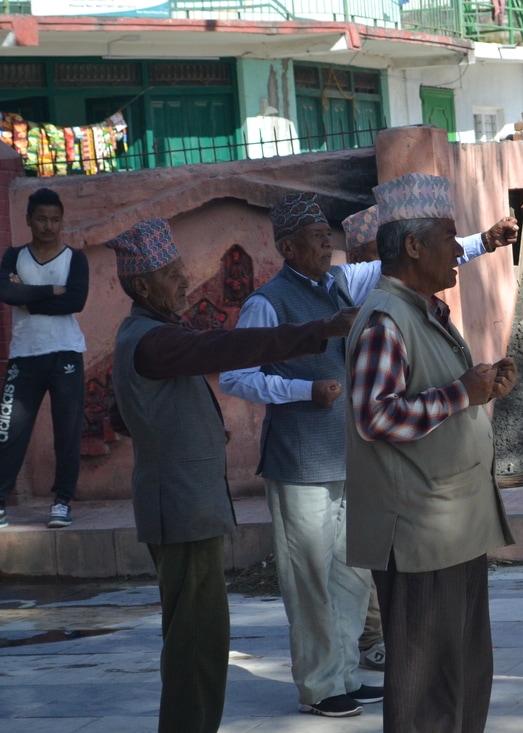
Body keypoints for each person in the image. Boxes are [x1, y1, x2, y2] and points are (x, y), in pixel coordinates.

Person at [218, 192, 517, 716]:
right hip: (301, 460)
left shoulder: (340, 283)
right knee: (309, 579)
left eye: (326, 238)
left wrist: (482, 243)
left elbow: (404, 263)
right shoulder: (267, 303)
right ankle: (321, 684)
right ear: (286, 248)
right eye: (313, 241)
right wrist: (301, 392)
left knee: (351, 576)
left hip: (350, 459)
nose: (324, 249)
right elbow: (236, 374)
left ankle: (346, 674)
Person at [105, 218, 359, 733]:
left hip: (185, 504)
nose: (183, 281)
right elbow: (227, 349)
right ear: (141, 287)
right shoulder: (153, 340)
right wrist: (319, 331)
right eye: (171, 274)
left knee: (199, 636)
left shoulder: (153, 335)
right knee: (196, 642)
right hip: (179, 508)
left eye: (181, 271)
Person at [345, 172, 516, 733]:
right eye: (448, 236)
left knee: (463, 678)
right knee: (426, 691)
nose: (457, 250)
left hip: (454, 526)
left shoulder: (426, 311)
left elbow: (442, 396)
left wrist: (482, 386)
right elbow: (375, 415)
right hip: (419, 533)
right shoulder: (384, 321)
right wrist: (461, 393)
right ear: (413, 246)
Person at [0, 188, 87, 529]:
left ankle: (62, 501)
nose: (48, 226)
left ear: (62, 220)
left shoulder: (74, 259)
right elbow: (6, 292)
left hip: (65, 353)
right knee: (8, 430)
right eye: (41, 219)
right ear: (28, 220)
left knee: (67, 432)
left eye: (55, 219)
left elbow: (76, 301)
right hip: (24, 356)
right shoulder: (13, 256)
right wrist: (52, 290)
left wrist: (29, 300)